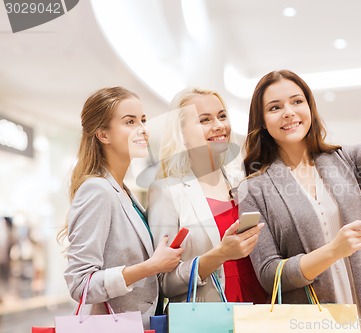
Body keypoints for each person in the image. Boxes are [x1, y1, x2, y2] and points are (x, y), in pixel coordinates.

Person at [238, 61, 361, 333]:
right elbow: (270, 275)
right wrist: (333, 251)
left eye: (296, 101)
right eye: (275, 107)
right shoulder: (254, 189)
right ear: (263, 122)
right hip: (313, 322)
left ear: (310, 108)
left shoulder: (344, 160)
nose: (289, 112)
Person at [59, 87, 183, 328]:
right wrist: (151, 267)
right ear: (103, 134)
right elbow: (79, 283)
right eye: (130, 122)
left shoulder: (123, 192)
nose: (142, 130)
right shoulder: (97, 190)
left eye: (143, 120)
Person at [148, 87, 267, 304]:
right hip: (210, 317)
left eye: (222, 116)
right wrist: (219, 255)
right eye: (205, 120)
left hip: (259, 311)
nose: (219, 125)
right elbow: (163, 282)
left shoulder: (243, 182)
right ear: (181, 134)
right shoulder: (166, 191)